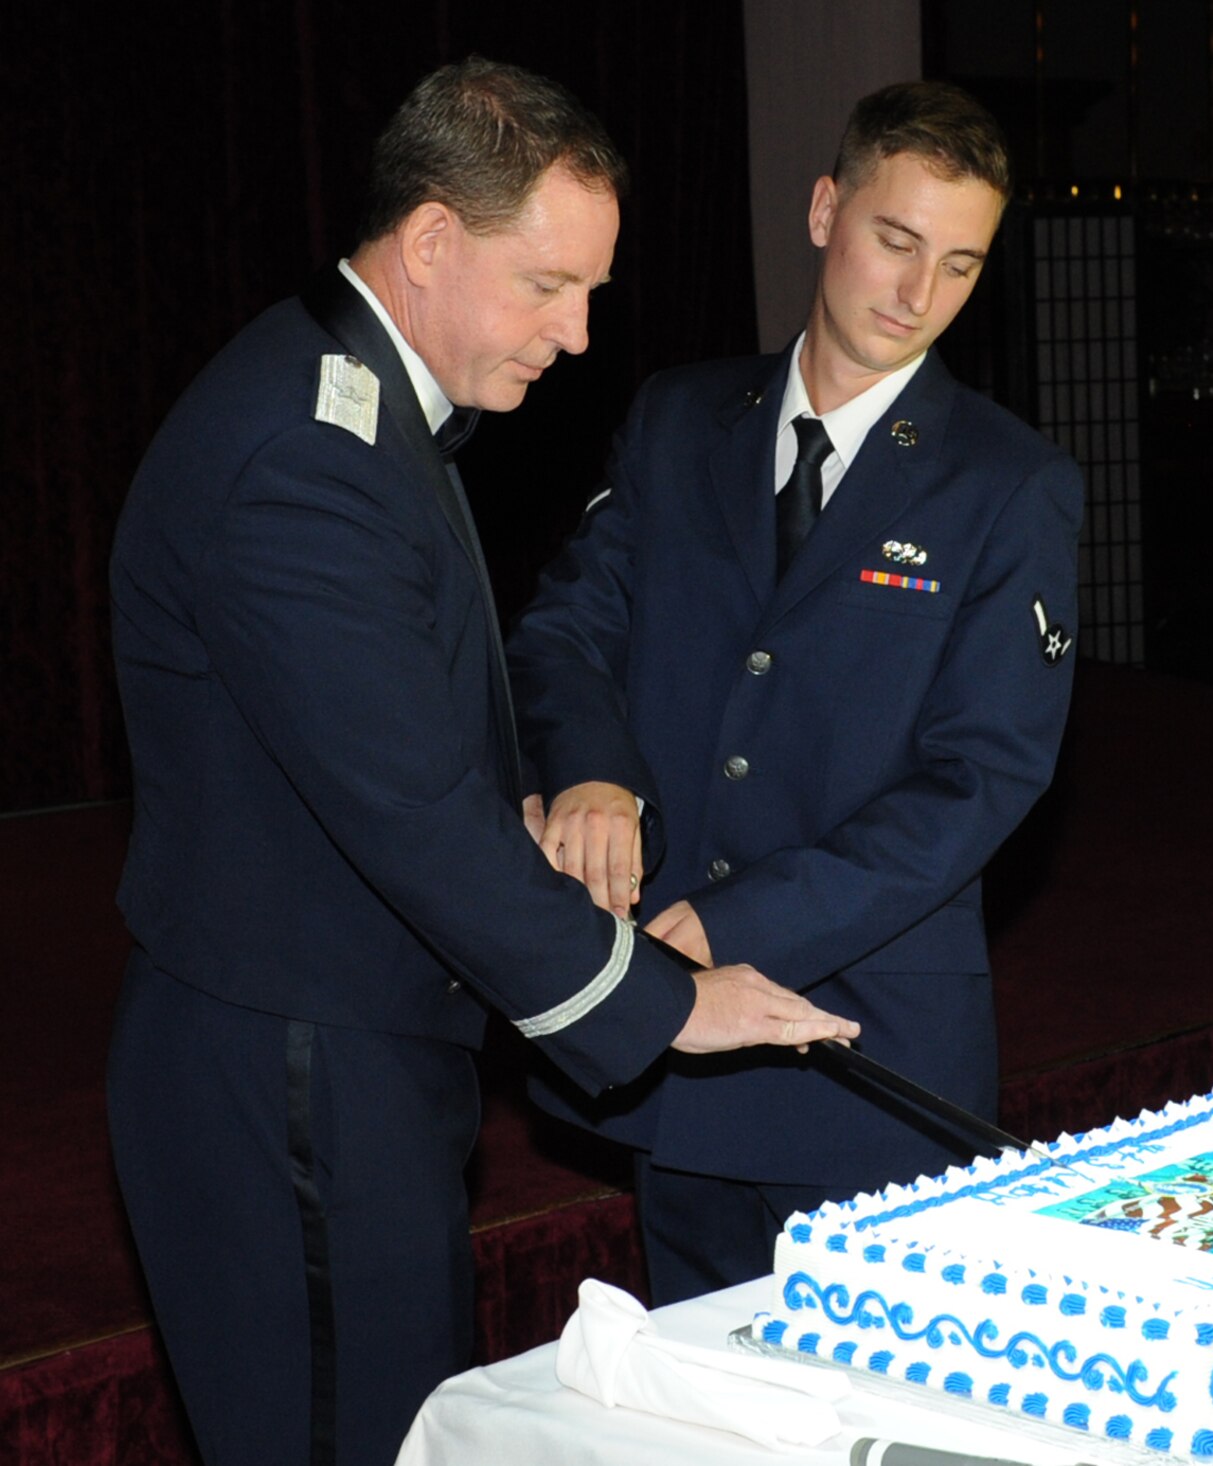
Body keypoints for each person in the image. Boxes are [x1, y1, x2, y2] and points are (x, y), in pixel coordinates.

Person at [106, 58, 856, 1466]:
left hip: (337, 1046)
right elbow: (403, 811)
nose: (577, 336)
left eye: (593, 294)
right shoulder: (305, 453)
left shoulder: (357, 399)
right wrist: (660, 998)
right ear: (435, 238)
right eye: (546, 286)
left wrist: (529, 801)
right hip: (294, 1076)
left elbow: (369, 729)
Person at [507, 80, 1083, 1305]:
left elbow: (979, 782)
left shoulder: (1005, 485)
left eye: (960, 263)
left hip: (862, 1048)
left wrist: (736, 925)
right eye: (895, 239)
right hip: (677, 1045)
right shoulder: (676, 418)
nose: (918, 293)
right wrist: (590, 766)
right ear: (826, 209)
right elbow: (565, 628)